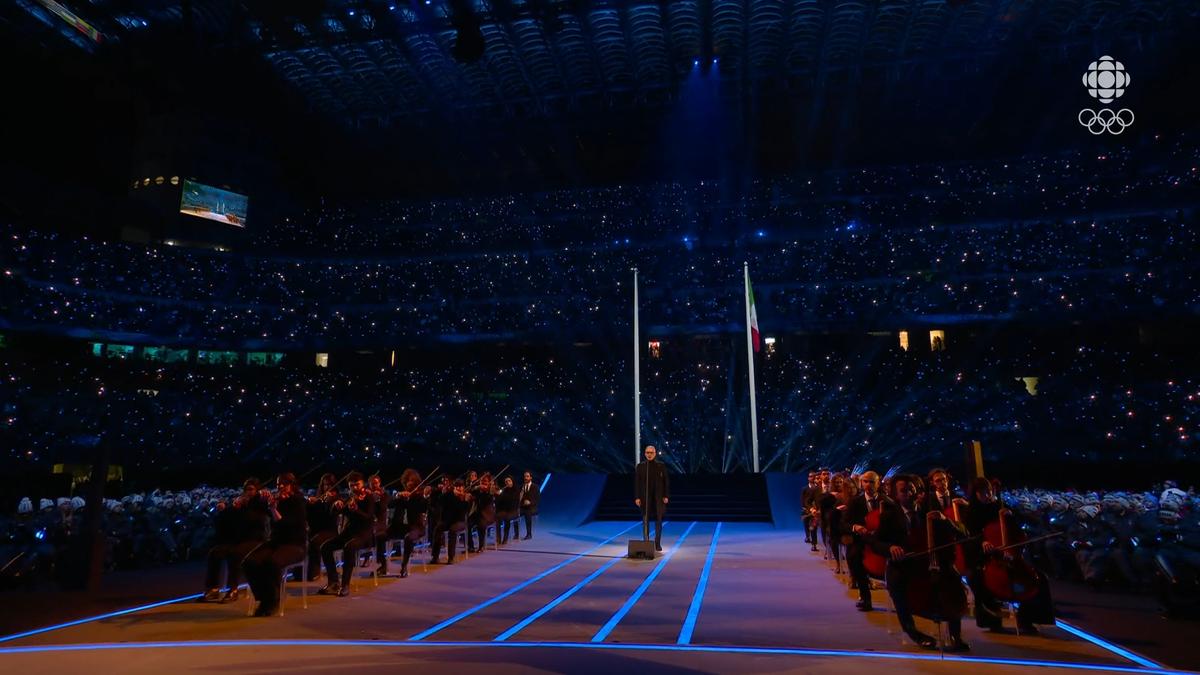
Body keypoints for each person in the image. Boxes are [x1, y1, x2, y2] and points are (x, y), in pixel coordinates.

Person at [242, 472, 307, 616]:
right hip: (277, 542)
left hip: (295, 545)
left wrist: (273, 509)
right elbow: (257, 510)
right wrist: (259, 497)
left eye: (285, 484)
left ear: (292, 485)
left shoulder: (298, 501)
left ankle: (272, 601)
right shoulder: (277, 500)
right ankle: (265, 598)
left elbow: (287, 523)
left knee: (272, 563)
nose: (281, 487)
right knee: (249, 561)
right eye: (278, 485)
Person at [201, 478, 269, 602]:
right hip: (239, 539)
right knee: (215, 552)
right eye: (246, 490)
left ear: (257, 491)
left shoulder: (261, 503)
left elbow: (255, 520)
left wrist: (244, 507)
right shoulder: (238, 504)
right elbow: (224, 523)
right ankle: (213, 589)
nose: (248, 492)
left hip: (256, 539)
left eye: (251, 490)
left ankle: (233, 589)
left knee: (235, 554)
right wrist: (227, 509)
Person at [319, 472, 375, 597]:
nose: (355, 488)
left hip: (364, 534)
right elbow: (336, 512)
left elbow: (369, 517)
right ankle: (333, 582)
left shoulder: (369, 497)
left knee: (348, 547)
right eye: (351, 486)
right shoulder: (350, 497)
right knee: (325, 547)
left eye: (357, 485)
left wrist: (357, 510)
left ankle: (345, 585)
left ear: (363, 483)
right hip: (349, 533)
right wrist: (336, 505)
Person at [847, 470, 885, 611]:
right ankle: (865, 596)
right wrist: (855, 526)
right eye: (865, 481)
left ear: (878, 483)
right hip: (862, 540)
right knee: (854, 557)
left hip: (881, 540)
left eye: (871, 481)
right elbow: (845, 523)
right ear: (861, 483)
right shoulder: (855, 502)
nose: (868, 484)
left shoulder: (886, 501)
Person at [634, 445, 670, 551]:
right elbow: (637, 483)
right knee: (645, 520)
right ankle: (646, 542)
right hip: (645, 498)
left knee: (658, 521)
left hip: (658, 498)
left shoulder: (661, 466)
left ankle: (657, 543)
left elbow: (666, 481)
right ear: (645, 454)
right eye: (647, 452)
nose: (649, 454)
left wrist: (666, 495)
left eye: (651, 452)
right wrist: (637, 497)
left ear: (655, 454)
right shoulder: (640, 466)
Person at [306, 473, 339, 582]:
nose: (327, 488)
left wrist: (328, 503)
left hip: (330, 531)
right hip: (317, 529)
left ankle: (315, 571)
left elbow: (329, 516)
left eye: (329, 485)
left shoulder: (336, 499)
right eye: (324, 485)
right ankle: (302, 572)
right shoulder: (319, 498)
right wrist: (312, 503)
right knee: (305, 539)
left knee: (314, 542)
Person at [431, 479, 471, 564]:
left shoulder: (465, 497)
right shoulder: (449, 495)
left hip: (460, 521)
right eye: (457, 487)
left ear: (463, 488)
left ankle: (451, 557)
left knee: (452, 530)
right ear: (454, 487)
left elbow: (464, 511)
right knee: (438, 528)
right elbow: (439, 501)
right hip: (448, 520)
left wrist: (464, 500)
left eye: (461, 487)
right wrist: (443, 492)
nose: (459, 488)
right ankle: (435, 556)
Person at [496, 476, 521, 544]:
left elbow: (512, 501)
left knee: (507, 518)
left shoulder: (516, 490)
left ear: (512, 481)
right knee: (497, 517)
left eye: (509, 481)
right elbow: (499, 502)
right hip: (505, 510)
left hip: (513, 510)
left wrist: (502, 495)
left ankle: (505, 538)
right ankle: (498, 538)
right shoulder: (504, 490)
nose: (508, 483)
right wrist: (498, 495)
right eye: (506, 482)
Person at [519, 471, 540, 540]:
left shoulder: (535, 487)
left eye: (527, 476)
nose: (525, 478)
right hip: (523, 506)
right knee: (515, 513)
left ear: (531, 478)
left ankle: (529, 534)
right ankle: (516, 534)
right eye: (525, 476)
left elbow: (537, 499)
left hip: (532, 507)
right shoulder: (521, 487)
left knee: (527, 513)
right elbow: (519, 498)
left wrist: (530, 502)